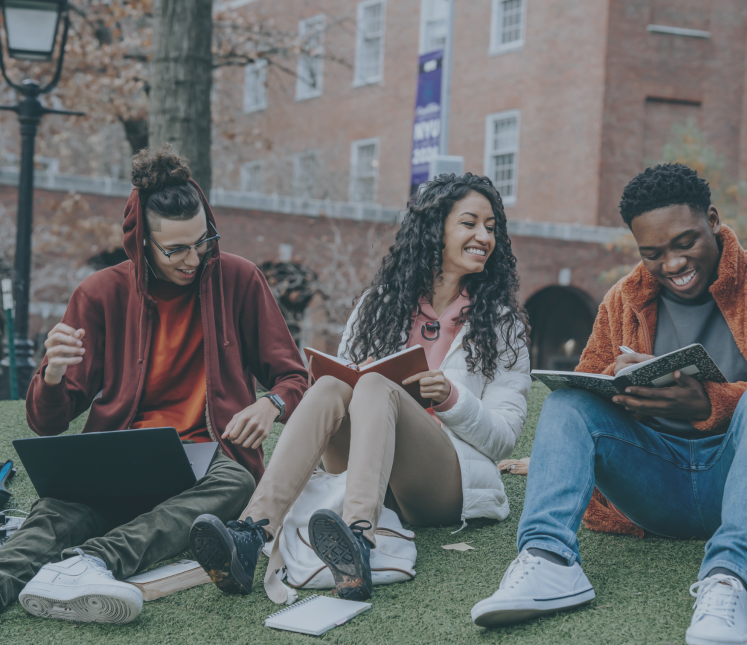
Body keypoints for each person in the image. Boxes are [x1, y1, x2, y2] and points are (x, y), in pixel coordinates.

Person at [0, 145, 309, 642]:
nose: (195, 258)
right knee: (60, 507)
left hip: (211, 451)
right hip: (123, 449)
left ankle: (90, 563)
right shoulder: (99, 294)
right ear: (142, 243)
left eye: (203, 241)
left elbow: (294, 377)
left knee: (238, 485)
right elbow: (47, 422)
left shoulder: (240, 280)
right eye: (176, 249)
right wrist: (51, 376)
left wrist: (271, 403)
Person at [472, 163, 747, 645]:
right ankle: (549, 562)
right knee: (568, 403)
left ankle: (726, 580)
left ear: (713, 219)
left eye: (684, 243)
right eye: (652, 253)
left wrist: (709, 403)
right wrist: (626, 384)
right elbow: (590, 382)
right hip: (659, 487)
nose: (672, 264)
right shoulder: (624, 298)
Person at [188, 172, 532, 602]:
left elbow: (502, 439)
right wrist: (354, 373)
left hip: (442, 483)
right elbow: (345, 385)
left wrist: (450, 398)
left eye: (491, 227)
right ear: (435, 230)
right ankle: (250, 533)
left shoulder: (501, 323)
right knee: (335, 384)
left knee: (375, 388)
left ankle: (358, 540)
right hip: (362, 467)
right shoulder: (379, 305)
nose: (484, 235)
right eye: (469, 223)